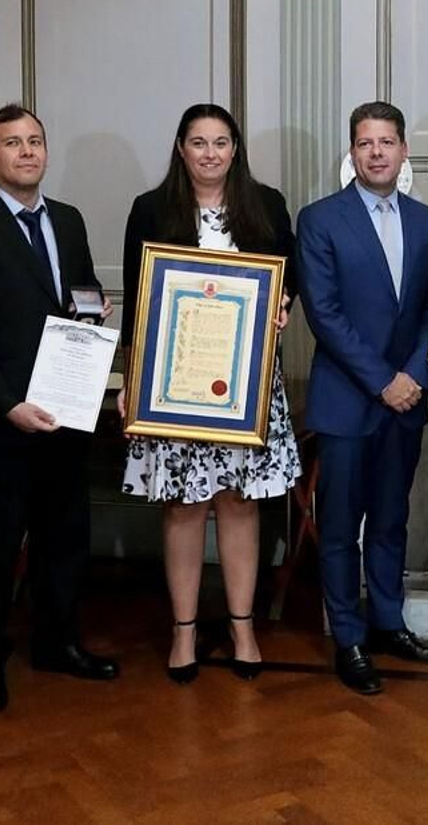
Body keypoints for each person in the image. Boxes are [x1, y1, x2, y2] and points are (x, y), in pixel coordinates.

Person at [0, 104, 121, 714]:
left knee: (64, 540)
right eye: (12, 143)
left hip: (63, 413)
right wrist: (9, 403)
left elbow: (78, 296)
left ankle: (57, 643)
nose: (27, 151)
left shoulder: (67, 219)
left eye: (35, 140)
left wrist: (94, 310)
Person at [118, 103, 300, 684]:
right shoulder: (151, 209)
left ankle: (243, 627)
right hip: (174, 384)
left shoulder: (266, 204)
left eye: (221, 142)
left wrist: (283, 304)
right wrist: (131, 379)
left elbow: (289, 277)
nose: (210, 153)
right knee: (183, 505)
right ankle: (184, 631)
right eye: (198, 142)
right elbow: (138, 302)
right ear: (181, 148)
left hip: (247, 383)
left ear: (235, 149)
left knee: (240, 503)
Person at [296, 101, 428, 696]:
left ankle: (389, 622)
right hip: (348, 401)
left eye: (387, 142)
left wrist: (412, 374)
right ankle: (349, 637)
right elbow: (325, 314)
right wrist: (383, 380)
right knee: (340, 527)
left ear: (404, 150)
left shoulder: (423, 221)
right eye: (365, 143)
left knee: (390, 521)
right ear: (352, 152)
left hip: (406, 400)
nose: (377, 153)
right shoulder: (320, 219)